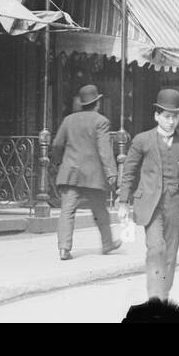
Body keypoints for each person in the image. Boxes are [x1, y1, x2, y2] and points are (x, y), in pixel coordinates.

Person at [120, 89, 179, 302]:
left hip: (176, 204)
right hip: (151, 205)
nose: (171, 121)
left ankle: (163, 294)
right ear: (156, 116)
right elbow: (129, 171)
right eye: (166, 116)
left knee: (170, 254)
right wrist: (123, 202)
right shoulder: (142, 141)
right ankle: (155, 297)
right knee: (156, 248)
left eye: (175, 116)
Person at [50, 83, 121, 261]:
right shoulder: (101, 121)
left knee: (67, 211)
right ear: (97, 103)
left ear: (82, 103)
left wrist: (60, 162)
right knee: (100, 210)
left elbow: (57, 144)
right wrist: (111, 172)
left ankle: (64, 249)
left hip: (70, 172)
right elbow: (104, 149)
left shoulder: (68, 120)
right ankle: (107, 243)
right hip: (93, 175)